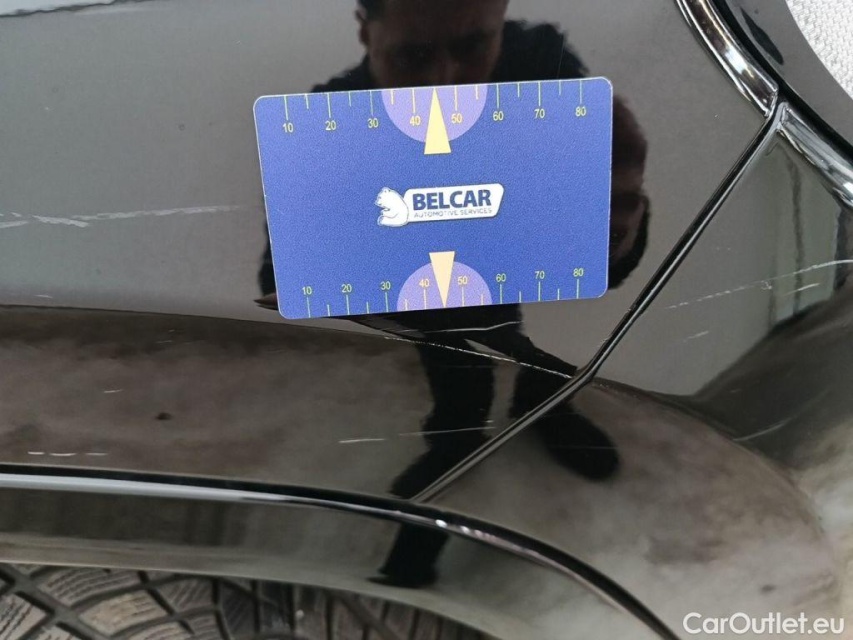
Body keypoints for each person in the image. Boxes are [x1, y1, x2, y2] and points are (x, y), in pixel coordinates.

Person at [258, 0, 650, 587]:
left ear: (502, 15)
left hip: (526, 280)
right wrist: (337, 261)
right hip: (425, 305)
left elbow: (606, 268)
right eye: (413, 56)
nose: (445, 82)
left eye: (472, 47)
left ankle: (544, 408)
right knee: (459, 389)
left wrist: (621, 216)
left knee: (547, 350)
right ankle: (451, 453)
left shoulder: (542, 64)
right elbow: (276, 283)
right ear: (365, 31)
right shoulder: (328, 117)